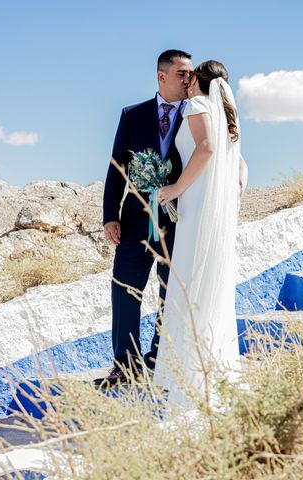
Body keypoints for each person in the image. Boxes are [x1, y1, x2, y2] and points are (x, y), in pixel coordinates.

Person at [95, 49, 194, 388]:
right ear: (161, 75)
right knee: (124, 290)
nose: (188, 79)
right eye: (181, 73)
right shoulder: (132, 114)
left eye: (190, 73)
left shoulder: (197, 114)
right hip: (134, 221)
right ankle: (124, 365)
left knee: (170, 294)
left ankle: (157, 360)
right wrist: (110, 215)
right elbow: (117, 168)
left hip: (180, 221)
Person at [153, 60, 247, 410]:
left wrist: (176, 188)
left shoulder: (196, 105)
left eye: (189, 77)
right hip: (213, 205)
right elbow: (241, 166)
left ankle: (186, 372)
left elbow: (204, 149)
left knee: (191, 278)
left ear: (196, 81)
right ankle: (210, 365)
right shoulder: (227, 117)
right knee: (207, 281)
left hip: (195, 203)